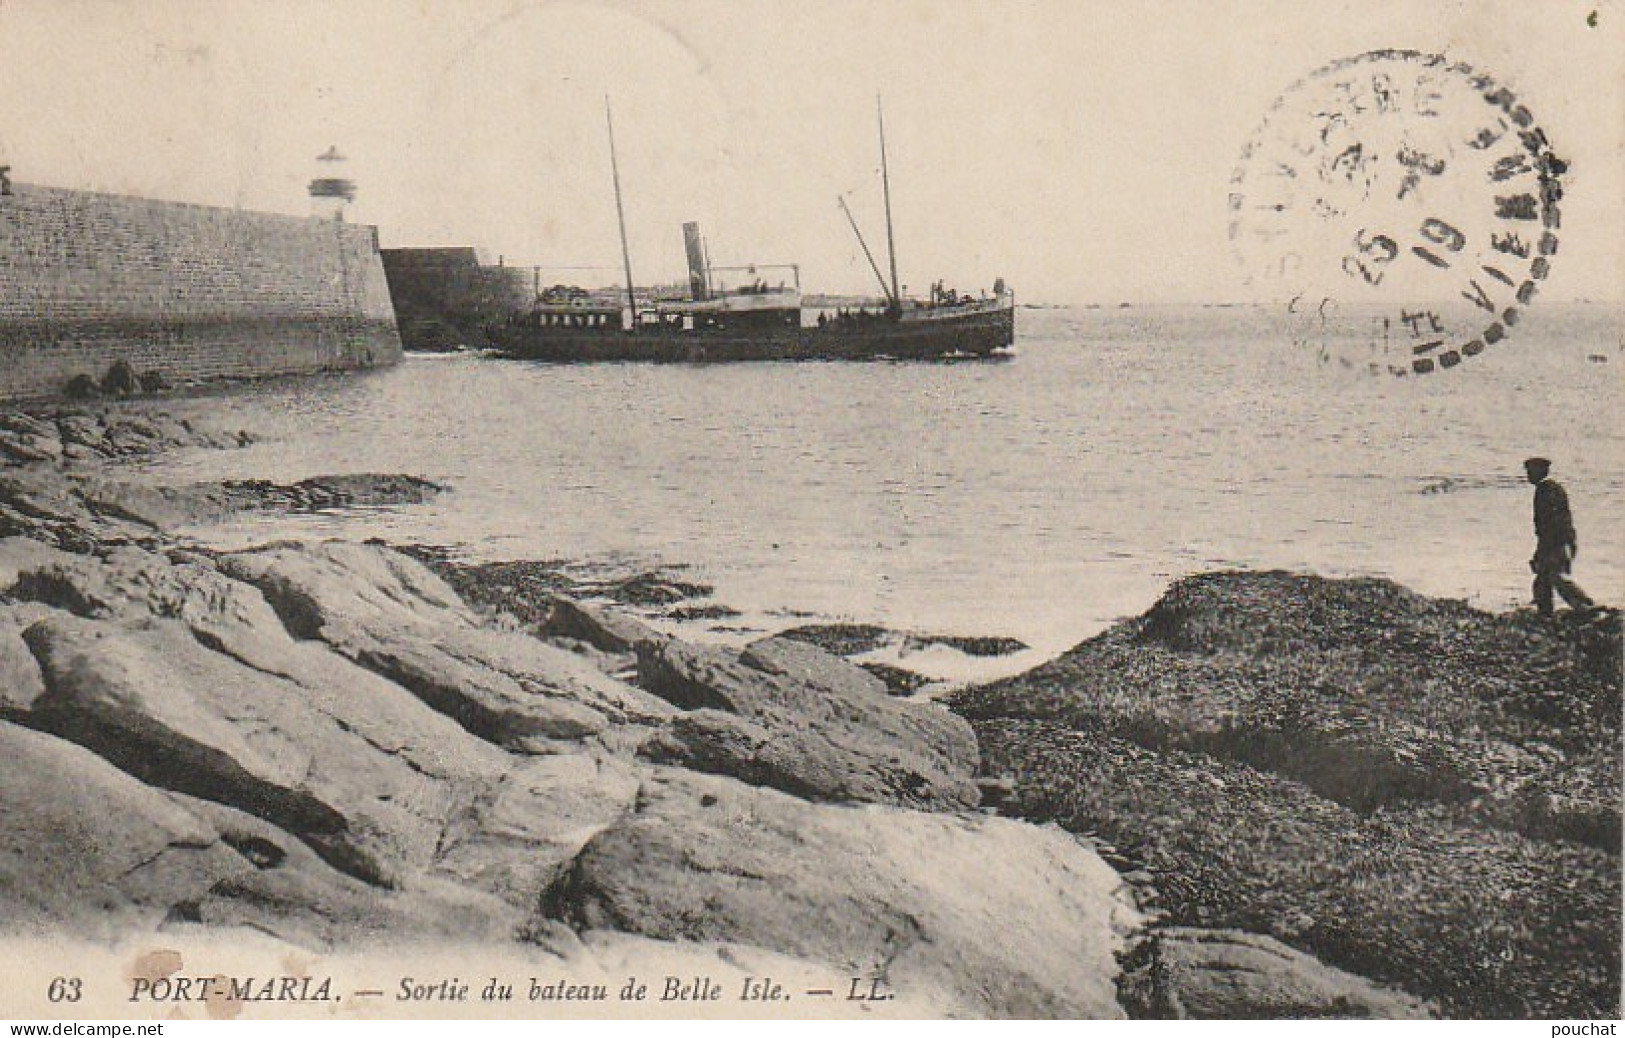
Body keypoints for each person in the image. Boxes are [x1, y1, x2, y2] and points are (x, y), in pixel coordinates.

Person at [1524, 457, 1595, 617]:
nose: (1528, 475)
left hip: (1556, 542)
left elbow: (1550, 524)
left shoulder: (1545, 490)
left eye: (1530, 471)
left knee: (1556, 577)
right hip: (1560, 540)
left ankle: (1585, 606)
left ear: (1541, 471)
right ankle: (1546, 613)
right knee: (1544, 578)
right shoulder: (1552, 488)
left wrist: (1545, 549)